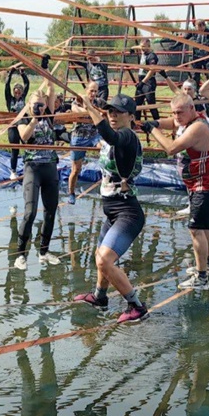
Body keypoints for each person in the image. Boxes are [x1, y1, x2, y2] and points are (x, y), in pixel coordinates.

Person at [73, 94, 149, 323]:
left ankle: (136, 306)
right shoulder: (113, 137)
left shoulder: (126, 136)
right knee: (99, 257)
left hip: (128, 212)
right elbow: (105, 137)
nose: (112, 115)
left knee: (105, 260)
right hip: (112, 210)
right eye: (109, 111)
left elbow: (110, 135)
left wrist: (89, 107)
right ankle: (99, 297)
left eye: (118, 112)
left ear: (131, 117)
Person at [143, 93, 209, 290]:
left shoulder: (197, 127)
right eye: (173, 113)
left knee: (196, 229)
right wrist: (157, 122)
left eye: (180, 112)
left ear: (191, 109)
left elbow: (171, 148)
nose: (176, 116)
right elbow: (173, 123)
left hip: (205, 183)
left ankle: (201, 276)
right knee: (206, 227)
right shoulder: (193, 120)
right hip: (202, 181)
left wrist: (152, 130)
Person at [13, 86, 62, 269]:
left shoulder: (48, 115)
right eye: (35, 105)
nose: (39, 108)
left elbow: (51, 88)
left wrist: (47, 70)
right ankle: (20, 255)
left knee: (50, 212)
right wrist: (34, 118)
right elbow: (25, 137)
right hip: (33, 168)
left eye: (41, 105)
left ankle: (44, 251)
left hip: (50, 168)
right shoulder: (24, 118)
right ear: (29, 104)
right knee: (30, 212)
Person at [67, 81, 101, 204]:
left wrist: (93, 112)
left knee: (104, 149)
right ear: (86, 90)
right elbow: (76, 110)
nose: (93, 93)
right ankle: (71, 193)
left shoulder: (98, 103)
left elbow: (103, 114)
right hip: (79, 137)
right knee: (76, 169)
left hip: (94, 135)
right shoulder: (78, 101)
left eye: (96, 91)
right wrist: (91, 112)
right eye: (91, 90)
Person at [4, 64, 30, 177]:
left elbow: (27, 84)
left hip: (23, 125)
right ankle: (13, 171)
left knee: (27, 146)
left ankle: (28, 167)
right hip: (13, 126)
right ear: (14, 92)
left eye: (19, 91)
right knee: (15, 149)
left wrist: (22, 74)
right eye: (16, 91)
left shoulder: (23, 98)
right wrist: (10, 73)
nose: (18, 92)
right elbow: (6, 85)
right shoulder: (10, 100)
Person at [134, 38, 162, 121]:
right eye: (141, 47)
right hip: (141, 80)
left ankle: (158, 123)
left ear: (149, 46)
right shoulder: (143, 53)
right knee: (137, 104)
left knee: (151, 104)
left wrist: (143, 82)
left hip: (148, 81)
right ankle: (137, 123)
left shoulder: (152, 56)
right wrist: (132, 49)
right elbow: (137, 47)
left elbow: (152, 70)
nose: (141, 48)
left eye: (143, 47)